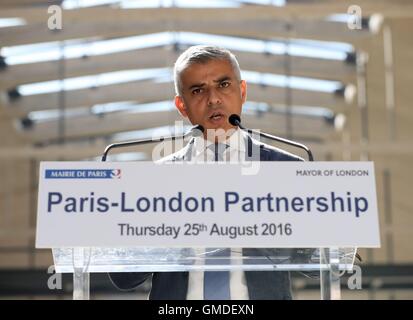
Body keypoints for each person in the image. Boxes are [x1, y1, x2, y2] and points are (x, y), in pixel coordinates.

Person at [109, 45, 303, 300]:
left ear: (242, 91)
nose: (213, 99)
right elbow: (124, 277)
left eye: (223, 85)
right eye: (198, 90)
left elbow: (316, 255)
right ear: (182, 106)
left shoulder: (286, 169)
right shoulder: (155, 180)